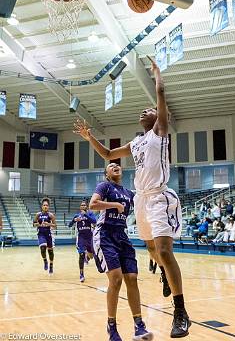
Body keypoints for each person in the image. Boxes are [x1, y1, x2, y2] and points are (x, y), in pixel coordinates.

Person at [74, 58, 190, 338]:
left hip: (160, 196)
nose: (144, 110)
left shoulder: (159, 133)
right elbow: (107, 155)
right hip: (141, 200)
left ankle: (180, 311)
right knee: (151, 250)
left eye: (148, 109)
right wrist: (90, 137)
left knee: (163, 250)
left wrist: (157, 75)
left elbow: (160, 96)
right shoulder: (136, 142)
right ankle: (163, 272)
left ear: (157, 118)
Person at [89, 163, 153, 341]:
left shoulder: (129, 193)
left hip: (122, 236)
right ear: (106, 174)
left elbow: (143, 209)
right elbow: (92, 204)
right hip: (105, 234)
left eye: (117, 164)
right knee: (116, 280)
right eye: (111, 165)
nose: (116, 165)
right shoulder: (104, 186)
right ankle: (112, 327)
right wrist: (114, 204)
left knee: (132, 278)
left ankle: (139, 326)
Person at [68, 201, 96, 282]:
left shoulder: (90, 214)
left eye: (84, 205)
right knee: (81, 254)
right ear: (80, 207)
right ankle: (81, 274)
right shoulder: (77, 215)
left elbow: (94, 221)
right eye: (82, 205)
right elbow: (69, 225)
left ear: (86, 206)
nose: (83, 206)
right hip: (81, 237)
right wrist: (74, 220)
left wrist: (86, 214)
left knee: (91, 256)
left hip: (90, 237)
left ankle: (87, 258)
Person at [33, 198, 56, 274]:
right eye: (44, 205)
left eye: (47, 205)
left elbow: (55, 225)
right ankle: (45, 261)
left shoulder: (51, 215)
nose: (45, 206)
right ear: (42, 206)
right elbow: (33, 224)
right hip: (41, 234)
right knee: (42, 248)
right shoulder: (38, 215)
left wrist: (48, 224)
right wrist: (37, 224)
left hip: (49, 234)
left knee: (50, 251)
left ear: (48, 206)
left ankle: (51, 265)